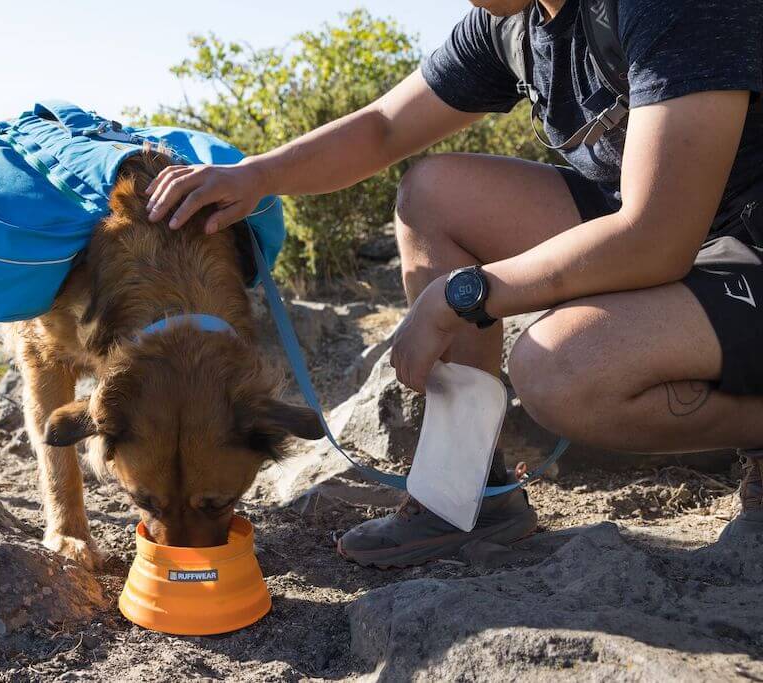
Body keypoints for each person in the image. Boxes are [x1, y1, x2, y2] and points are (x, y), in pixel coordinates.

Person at [144, 0, 763, 567]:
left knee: (561, 372)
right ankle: (470, 493)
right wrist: (256, 175)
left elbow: (655, 236)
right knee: (432, 194)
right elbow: (385, 126)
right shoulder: (514, 19)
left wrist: (460, 296)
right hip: (686, 231)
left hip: (738, 246)